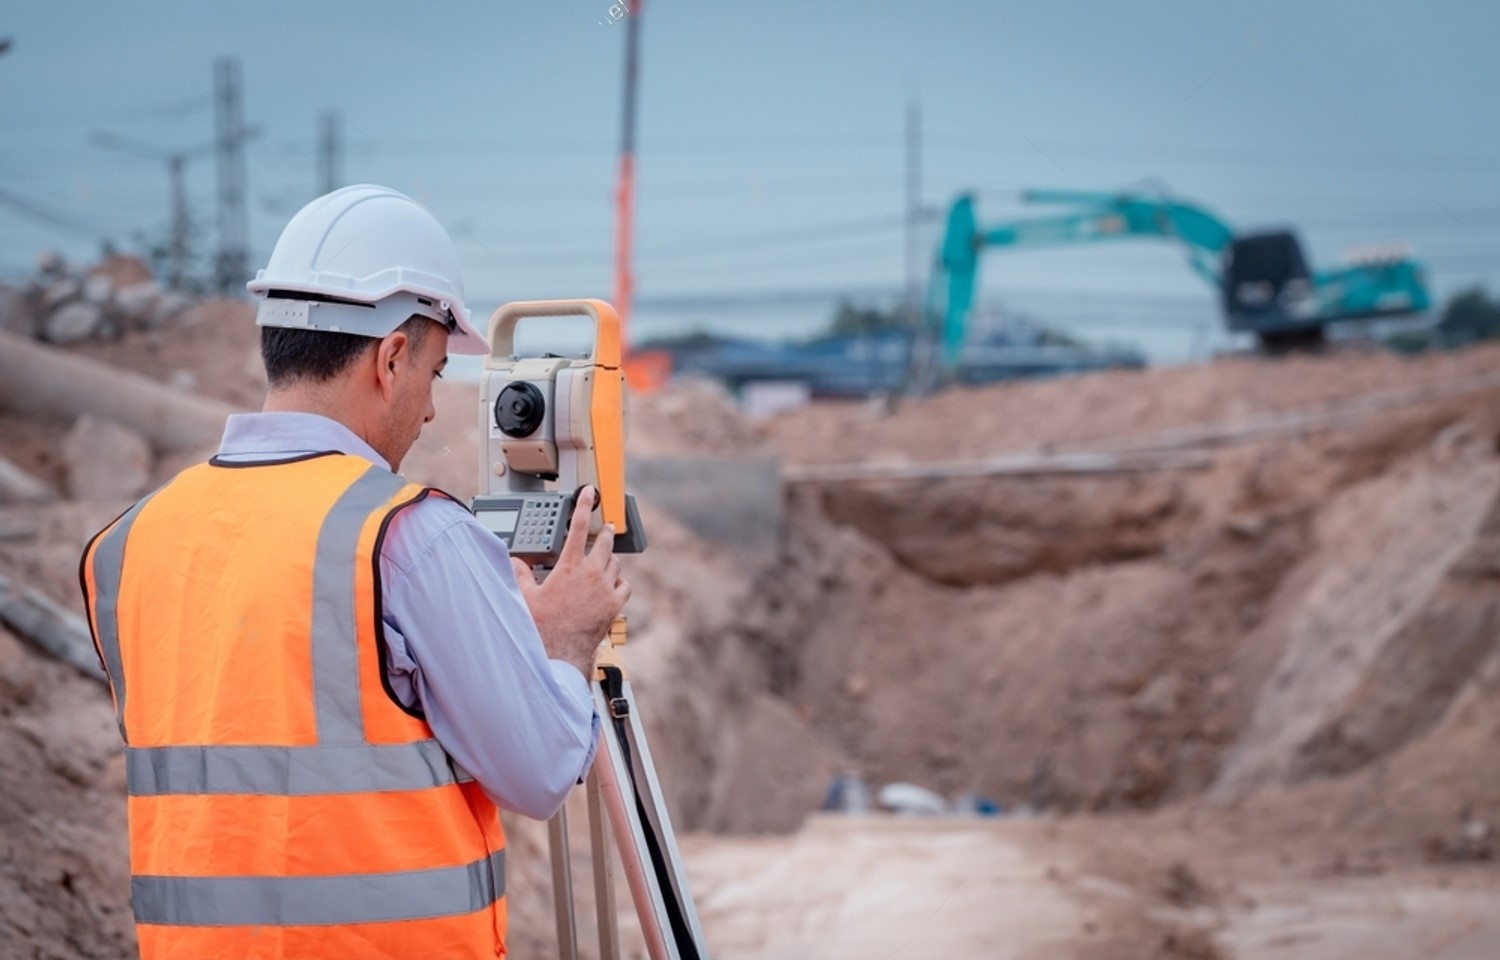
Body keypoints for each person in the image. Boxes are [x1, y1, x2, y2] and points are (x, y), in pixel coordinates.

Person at [80, 184, 629, 959]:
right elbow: (540, 772)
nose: (432, 411)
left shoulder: (127, 546)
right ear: (393, 357)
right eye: (436, 374)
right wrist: (565, 645)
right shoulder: (410, 537)